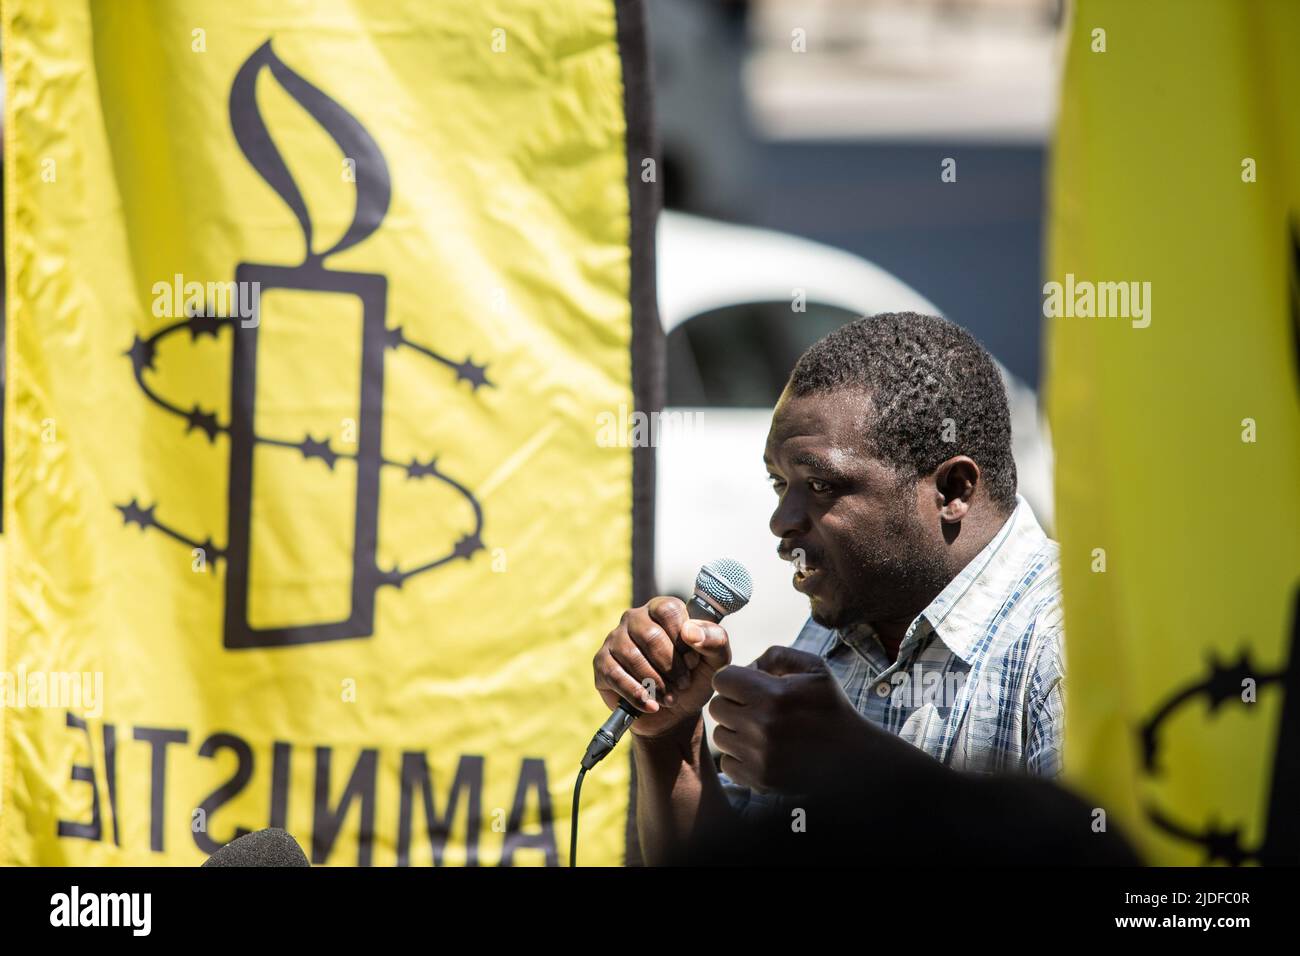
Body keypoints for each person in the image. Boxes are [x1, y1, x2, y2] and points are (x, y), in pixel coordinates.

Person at [593, 312, 1069, 865]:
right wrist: (671, 737)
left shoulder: (1067, 642)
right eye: (779, 483)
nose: (781, 520)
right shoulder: (838, 625)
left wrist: (866, 774)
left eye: (820, 484)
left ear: (952, 489)